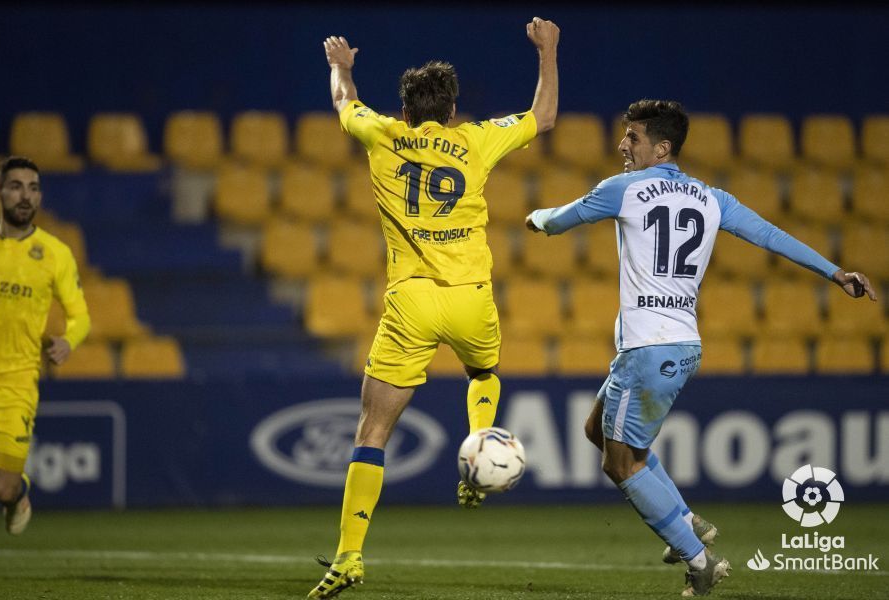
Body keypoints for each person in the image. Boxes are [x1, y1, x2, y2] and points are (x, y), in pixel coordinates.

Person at [525, 100, 877, 597]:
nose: (623, 145)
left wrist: (535, 217)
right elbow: (772, 236)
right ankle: (685, 519)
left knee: (618, 462)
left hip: (647, 349)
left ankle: (698, 559)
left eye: (634, 138)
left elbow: (560, 220)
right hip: (685, 344)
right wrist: (834, 273)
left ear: (661, 147)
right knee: (595, 428)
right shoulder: (712, 198)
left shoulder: (623, 189)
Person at [309, 18, 559, 599]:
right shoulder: (475, 139)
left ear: (403, 111)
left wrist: (340, 66)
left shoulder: (383, 135)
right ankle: (478, 450)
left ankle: (349, 557)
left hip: (412, 301)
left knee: (372, 431)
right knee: (484, 372)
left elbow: (345, 101)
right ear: (452, 113)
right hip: (471, 298)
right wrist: (547, 51)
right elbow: (543, 117)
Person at [0, 156, 91, 535]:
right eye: (16, 186)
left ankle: (19, 495)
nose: (25, 196)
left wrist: (68, 341)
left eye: (33, 188)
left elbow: (81, 315)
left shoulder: (55, 254)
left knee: (2, 486)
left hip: (16, 385)